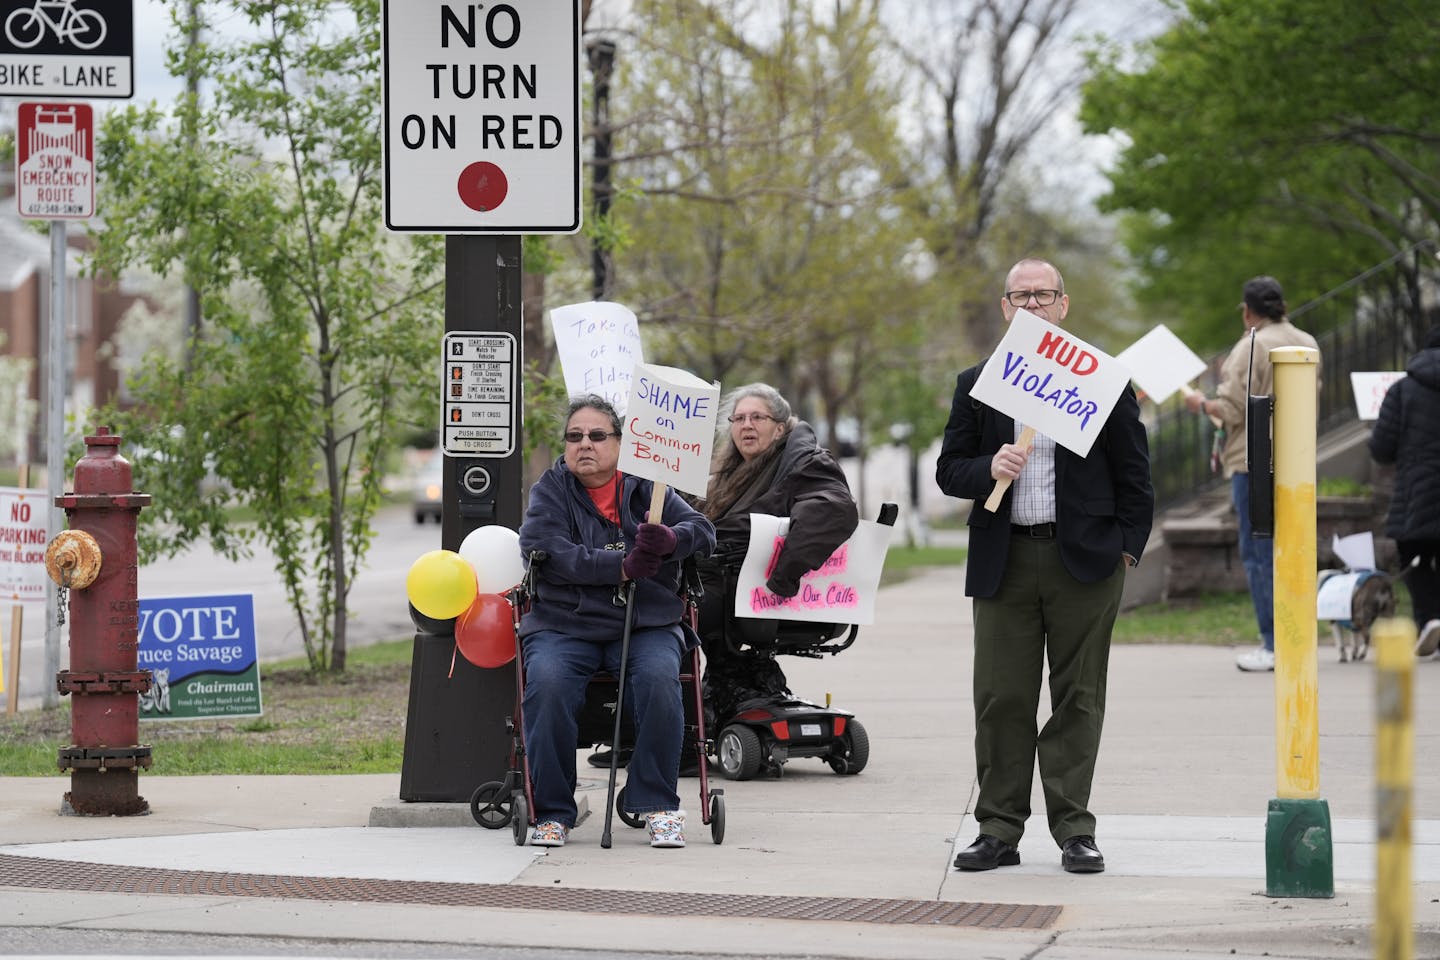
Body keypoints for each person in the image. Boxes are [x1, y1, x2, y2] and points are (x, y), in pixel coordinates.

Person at [936, 257, 1153, 875]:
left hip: (1083, 563)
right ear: (1005, 308)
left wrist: (1126, 550)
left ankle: (1074, 830)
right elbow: (949, 470)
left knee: (1078, 698)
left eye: (1043, 295)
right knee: (1001, 697)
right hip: (1005, 563)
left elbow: (1135, 477)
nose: (1031, 305)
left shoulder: (1103, 384)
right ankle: (999, 829)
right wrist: (988, 469)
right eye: (1019, 296)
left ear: (1063, 305)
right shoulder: (978, 383)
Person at [517, 395, 716, 848]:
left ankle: (657, 803)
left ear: (621, 443)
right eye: (574, 436)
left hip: (646, 622)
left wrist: (669, 539)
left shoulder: (649, 485)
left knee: (661, 679)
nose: (584, 444)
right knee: (545, 682)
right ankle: (552, 811)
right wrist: (623, 566)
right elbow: (548, 548)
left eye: (597, 435)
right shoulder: (550, 490)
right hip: (566, 624)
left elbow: (703, 532)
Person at [694, 383, 859, 726]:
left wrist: (784, 573)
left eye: (757, 417)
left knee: (656, 620)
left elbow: (833, 508)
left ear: (780, 427)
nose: (746, 425)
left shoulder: (805, 463)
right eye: (738, 418)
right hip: (718, 581)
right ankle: (661, 721)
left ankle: (673, 731)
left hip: (745, 591)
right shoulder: (730, 474)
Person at [1184, 276, 1320, 672]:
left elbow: (1232, 411)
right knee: (1295, 549)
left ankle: (1273, 643)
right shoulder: (1307, 341)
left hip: (1254, 463)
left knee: (1259, 552)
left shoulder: (1250, 345)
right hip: (1297, 460)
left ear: (1247, 311)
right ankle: (1299, 640)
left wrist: (1200, 403)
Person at [1368, 325, 1440, 658]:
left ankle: (1429, 620)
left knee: (1417, 558)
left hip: (1417, 492)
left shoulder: (1403, 389)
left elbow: (1381, 449)